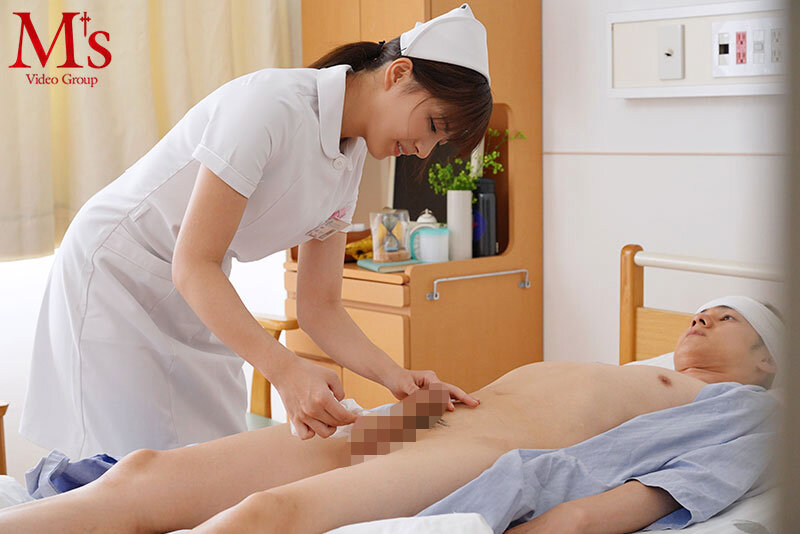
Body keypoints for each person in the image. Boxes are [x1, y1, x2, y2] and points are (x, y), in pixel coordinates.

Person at [19, 4, 491, 459]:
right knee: (122, 467)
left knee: (211, 464)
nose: (424, 149)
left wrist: (396, 377)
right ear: (398, 73)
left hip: (196, 292)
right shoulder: (270, 106)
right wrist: (285, 370)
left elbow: (320, 306)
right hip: (117, 275)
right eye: (432, 125)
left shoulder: (350, 158)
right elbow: (193, 263)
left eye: (439, 142)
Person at [0, 296, 782, 533]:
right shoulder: (635, 370)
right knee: (142, 474)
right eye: (703, 310)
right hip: (423, 417)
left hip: (482, 449)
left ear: (771, 363)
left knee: (269, 515)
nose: (702, 319)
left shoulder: (758, 415)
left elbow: (658, 492)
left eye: (729, 319)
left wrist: (565, 524)